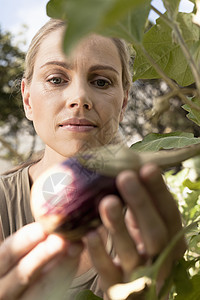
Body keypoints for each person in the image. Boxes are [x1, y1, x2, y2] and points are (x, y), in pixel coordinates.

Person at [0, 18, 186, 300]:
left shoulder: (145, 204)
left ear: (123, 103)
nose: (80, 97)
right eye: (56, 79)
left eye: (101, 81)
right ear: (27, 100)